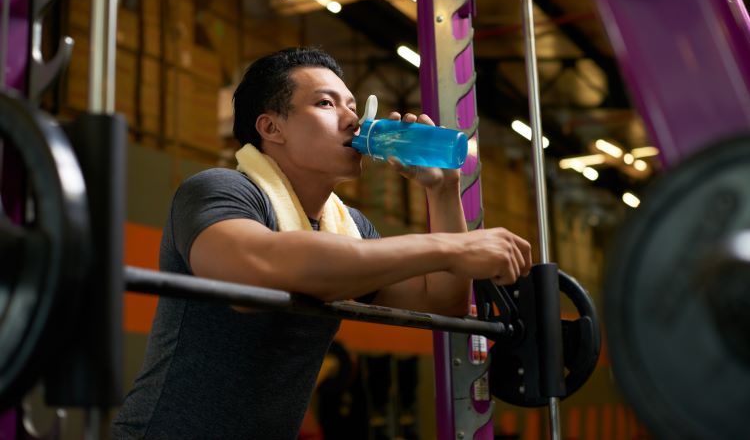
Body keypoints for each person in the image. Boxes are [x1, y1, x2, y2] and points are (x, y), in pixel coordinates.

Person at [111, 47, 531, 439]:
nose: (353, 120)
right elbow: (262, 272)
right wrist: (452, 248)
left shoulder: (347, 229)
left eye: (352, 105)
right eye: (327, 104)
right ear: (271, 127)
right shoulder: (220, 190)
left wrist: (442, 193)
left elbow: (442, 302)